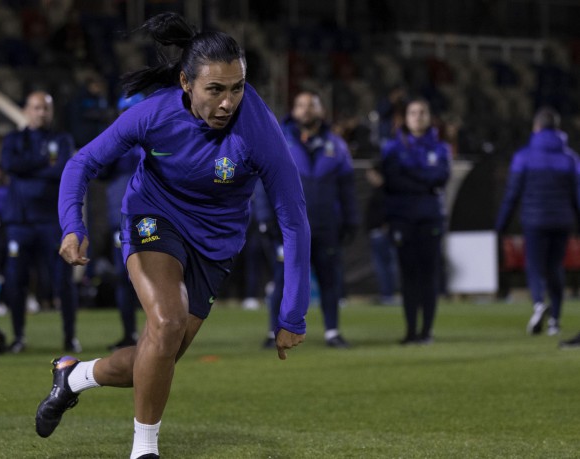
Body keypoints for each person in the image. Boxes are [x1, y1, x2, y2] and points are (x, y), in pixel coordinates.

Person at [36, 13, 311, 459]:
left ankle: (74, 375)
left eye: (237, 87)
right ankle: (144, 449)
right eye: (215, 90)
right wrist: (73, 225)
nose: (228, 103)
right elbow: (81, 163)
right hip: (153, 217)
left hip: (215, 246)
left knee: (159, 353)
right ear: (186, 82)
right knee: (166, 324)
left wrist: (292, 314)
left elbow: (295, 220)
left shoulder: (260, 131)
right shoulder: (154, 114)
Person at [266, 89, 358, 348]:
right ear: (294, 111)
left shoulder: (337, 146)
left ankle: (332, 332)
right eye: (301, 105)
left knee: (330, 280)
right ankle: (275, 332)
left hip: (325, 225)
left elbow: (347, 188)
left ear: (321, 111)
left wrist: (351, 220)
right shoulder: (279, 141)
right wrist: (265, 219)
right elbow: (263, 183)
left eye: (311, 105)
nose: (306, 110)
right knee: (283, 280)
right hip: (289, 226)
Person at [0, 90, 80, 354]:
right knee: (16, 281)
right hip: (19, 223)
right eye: (36, 107)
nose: (41, 112)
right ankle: (19, 336)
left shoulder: (62, 138)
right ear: (26, 110)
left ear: (52, 111)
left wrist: (27, 167)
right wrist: (43, 162)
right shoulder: (13, 139)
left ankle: (69, 338)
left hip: (52, 222)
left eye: (46, 108)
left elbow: (62, 169)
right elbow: (9, 164)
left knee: (63, 281)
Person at [495, 107, 580, 337]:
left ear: (536, 127)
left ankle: (538, 304)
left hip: (534, 220)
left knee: (534, 264)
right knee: (555, 267)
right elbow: (578, 194)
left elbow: (512, 193)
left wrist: (500, 225)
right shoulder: (570, 158)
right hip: (562, 221)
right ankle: (555, 321)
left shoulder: (523, 156)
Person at [382, 98, 451, 345]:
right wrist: (424, 182)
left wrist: (408, 174)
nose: (418, 116)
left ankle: (426, 332)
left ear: (429, 116)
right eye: (413, 112)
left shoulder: (441, 148)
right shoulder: (391, 148)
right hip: (402, 218)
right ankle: (411, 331)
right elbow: (392, 180)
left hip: (430, 218)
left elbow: (441, 177)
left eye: (422, 112)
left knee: (429, 276)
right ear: (405, 117)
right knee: (408, 276)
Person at [96, 92, 146, 350]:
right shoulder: (117, 141)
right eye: (123, 112)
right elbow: (100, 170)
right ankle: (130, 334)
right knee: (124, 277)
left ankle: (159, 334)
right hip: (122, 218)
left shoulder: (157, 136)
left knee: (155, 276)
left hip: (152, 217)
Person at [364, 161, 398, 305]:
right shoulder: (380, 190)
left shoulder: (384, 191)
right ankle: (387, 293)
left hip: (381, 233)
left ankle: (388, 294)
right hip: (377, 232)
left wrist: (385, 226)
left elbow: (389, 211)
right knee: (384, 265)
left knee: (385, 265)